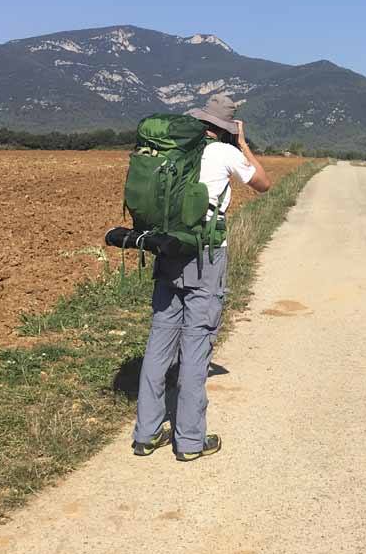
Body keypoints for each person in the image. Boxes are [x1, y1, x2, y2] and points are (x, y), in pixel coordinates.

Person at [131, 93, 271, 461]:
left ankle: (146, 434)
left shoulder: (173, 150)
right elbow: (263, 184)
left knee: (160, 339)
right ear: (225, 127)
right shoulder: (226, 153)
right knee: (196, 345)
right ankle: (191, 441)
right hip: (205, 257)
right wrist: (243, 143)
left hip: (167, 250)